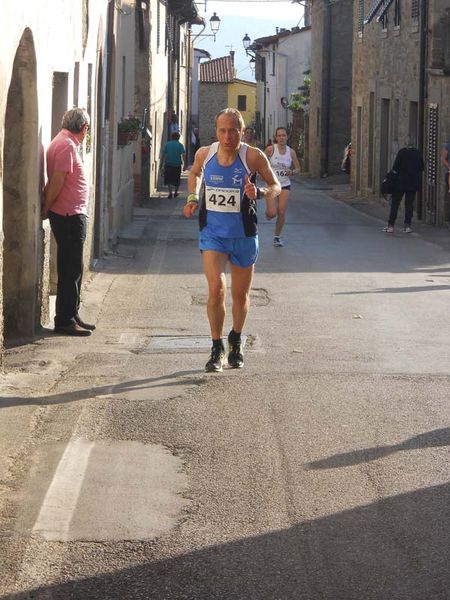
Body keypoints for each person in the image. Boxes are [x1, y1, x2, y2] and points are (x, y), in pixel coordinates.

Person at [183, 107, 280, 373]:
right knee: (216, 289)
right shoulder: (206, 153)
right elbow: (194, 173)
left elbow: (276, 186)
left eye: (233, 131)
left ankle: (235, 337)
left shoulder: (254, 156)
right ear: (217, 132)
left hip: (244, 234)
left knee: (240, 295)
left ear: (242, 131)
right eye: (222, 131)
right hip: (213, 234)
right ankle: (217, 347)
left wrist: (259, 192)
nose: (227, 137)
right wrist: (193, 198)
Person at [42, 108, 95, 336]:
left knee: (74, 267)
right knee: (70, 268)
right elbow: (57, 182)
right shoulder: (66, 145)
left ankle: (72, 313)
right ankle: (64, 320)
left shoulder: (65, 142)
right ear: (84, 128)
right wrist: (46, 207)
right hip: (68, 216)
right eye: (87, 130)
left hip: (71, 214)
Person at [265, 126, 301, 247]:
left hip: (285, 184)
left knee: (281, 211)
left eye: (283, 135)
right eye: (279, 135)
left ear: (287, 137)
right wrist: (263, 173)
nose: (281, 138)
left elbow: (298, 168)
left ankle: (277, 237)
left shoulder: (291, 152)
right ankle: (269, 214)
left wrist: (292, 172)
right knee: (272, 213)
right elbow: (262, 163)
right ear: (276, 137)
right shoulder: (270, 150)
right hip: (271, 184)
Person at [383, 139, 424, 234]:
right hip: (412, 183)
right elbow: (422, 167)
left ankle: (391, 226)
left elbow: (395, 167)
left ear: (405, 144)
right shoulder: (418, 153)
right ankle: (407, 226)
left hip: (400, 183)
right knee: (409, 204)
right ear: (413, 145)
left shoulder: (401, 152)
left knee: (395, 203)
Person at [163, 132, 185, 198]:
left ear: (171, 137)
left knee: (169, 179)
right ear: (178, 138)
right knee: (177, 179)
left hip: (168, 164)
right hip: (177, 164)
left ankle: (170, 193)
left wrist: (162, 163)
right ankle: (175, 192)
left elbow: (164, 154)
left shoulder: (167, 144)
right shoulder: (180, 145)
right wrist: (183, 163)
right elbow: (182, 155)